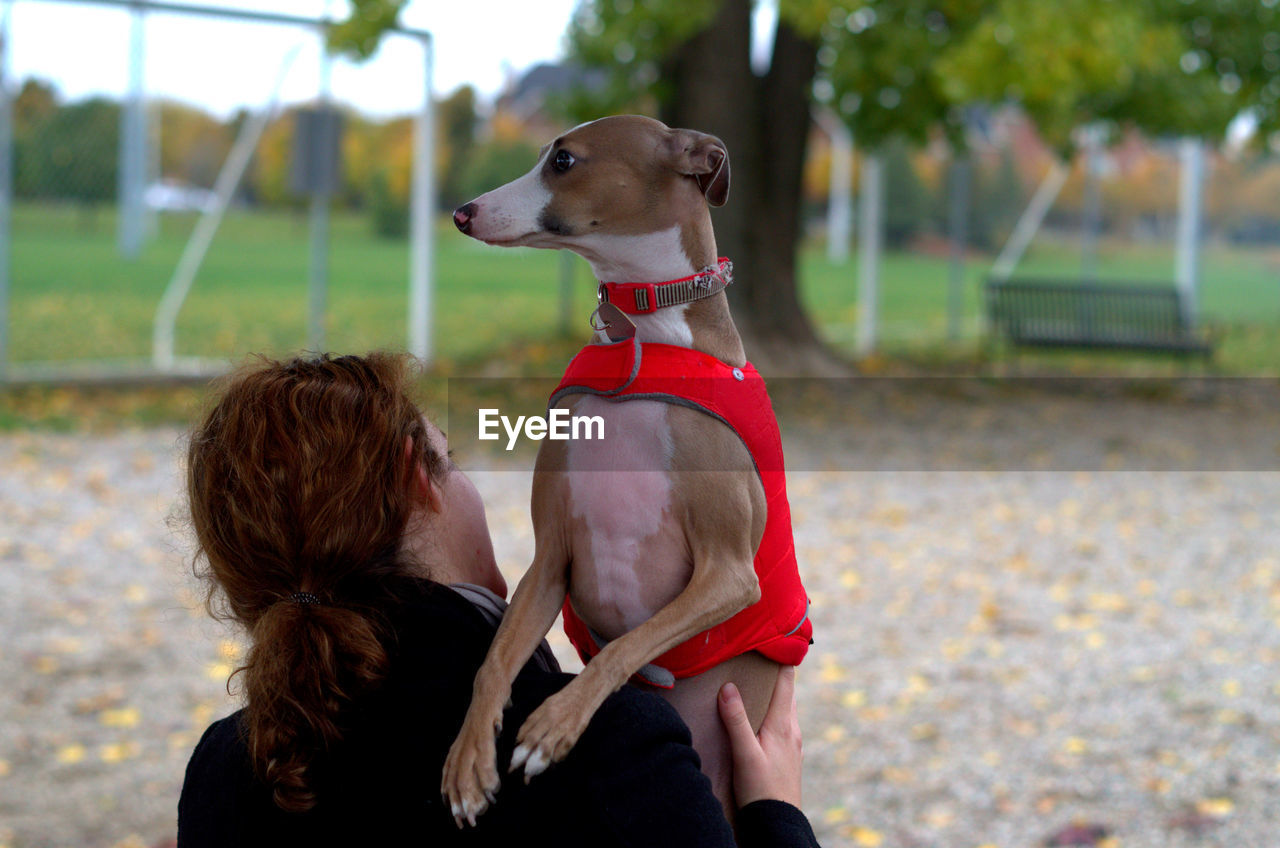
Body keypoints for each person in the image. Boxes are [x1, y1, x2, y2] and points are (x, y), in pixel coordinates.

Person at [176, 352, 821, 847]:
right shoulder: (608, 749)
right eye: (449, 461)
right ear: (415, 479)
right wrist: (776, 817)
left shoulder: (227, 772)